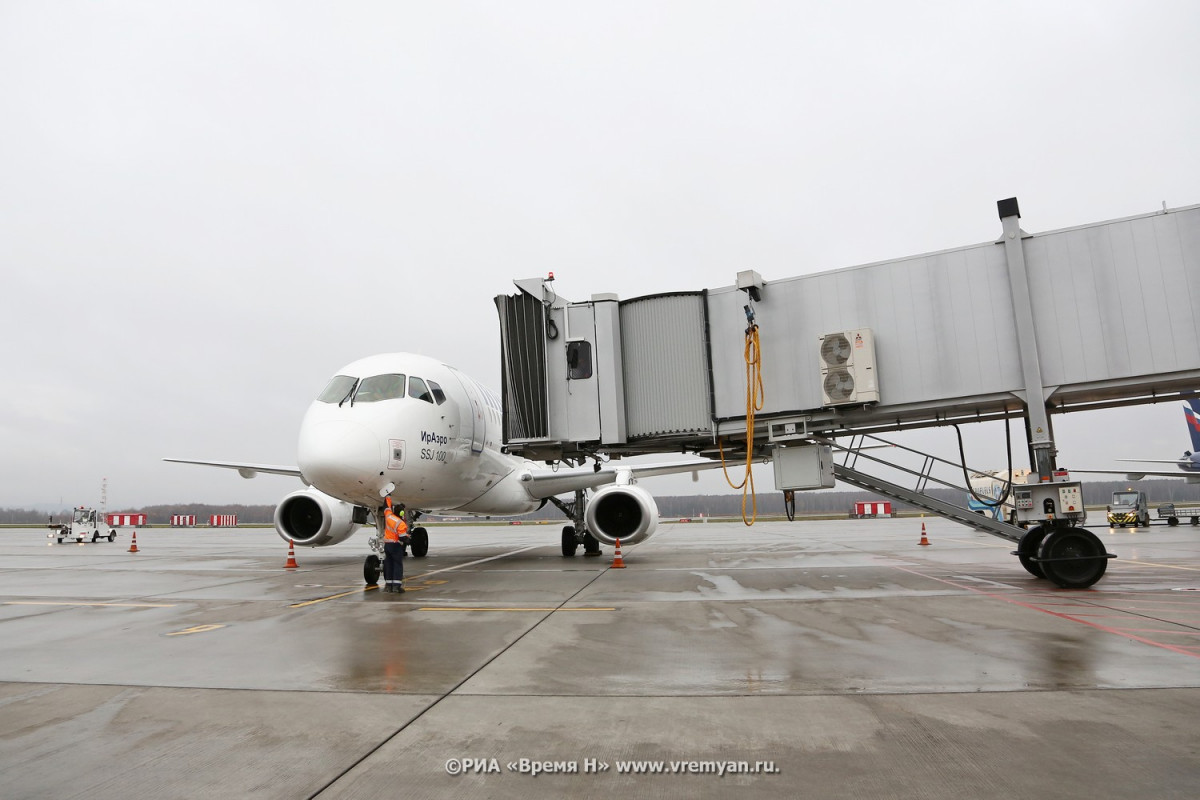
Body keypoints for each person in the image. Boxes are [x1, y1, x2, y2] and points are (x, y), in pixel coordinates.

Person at [382, 498, 410, 593]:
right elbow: (402, 538)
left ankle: (388, 586)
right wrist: (409, 539)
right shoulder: (401, 523)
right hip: (395, 546)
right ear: (402, 513)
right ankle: (396, 586)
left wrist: (387, 496)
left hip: (387, 545)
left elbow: (386, 507)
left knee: (389, 564)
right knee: (397, 565)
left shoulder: (389, 516)